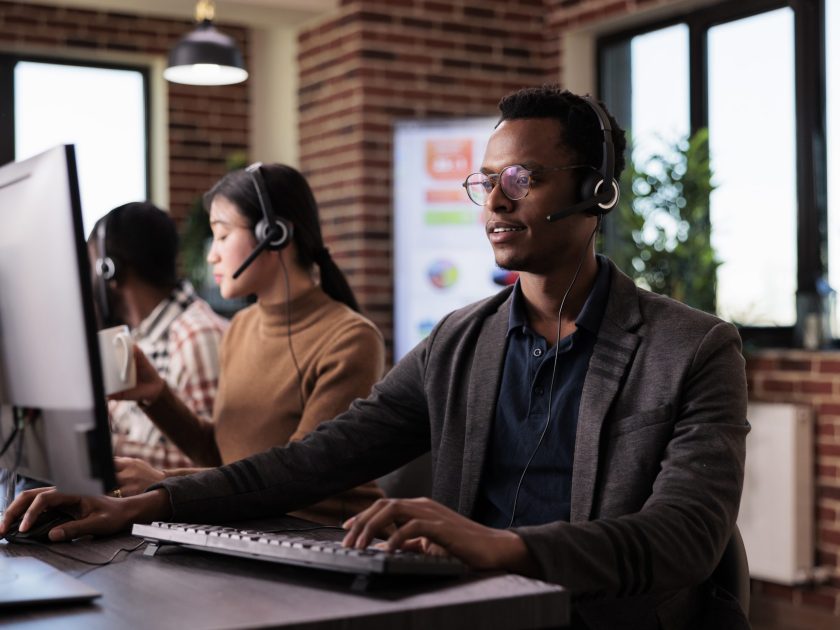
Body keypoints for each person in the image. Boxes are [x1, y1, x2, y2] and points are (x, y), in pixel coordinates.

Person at [2, 87, 748, 630]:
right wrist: (143, 505)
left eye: (521, 179)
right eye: (486, 182)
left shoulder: (694, 348)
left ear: (596, 191)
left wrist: (503, 547)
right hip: (477, 615)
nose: (494, 202)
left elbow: (686, 535)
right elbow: (311, 460)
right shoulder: (461, 341)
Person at [103, 164, 386, 524]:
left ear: (274, 234)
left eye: (221, 236)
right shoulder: (241, 327)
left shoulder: (350, 338)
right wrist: (156, 396)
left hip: (327, 536)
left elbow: (300, 476)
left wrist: (163, 484)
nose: (211, 255)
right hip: (253, 530)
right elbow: (221, 453)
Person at [89, 202, 228, 473]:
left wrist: (102, 450)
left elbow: (214, 467)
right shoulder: (140, 337)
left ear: (111, 270)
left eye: (90, 266)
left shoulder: (196, 337)